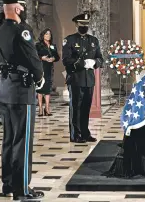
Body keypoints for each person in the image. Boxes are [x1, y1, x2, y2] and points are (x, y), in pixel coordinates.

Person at [0, 0, 45, 201]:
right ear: (17, 8)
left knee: (8, 140)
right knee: (22, 142)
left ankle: (8, 184)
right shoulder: (22, 31)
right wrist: (40, 79)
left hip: (4, 90)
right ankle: (22, 190)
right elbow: (33, 59)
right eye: (22, 7)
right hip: (22, 92)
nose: (23, 11)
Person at [62, 13, 103, 143]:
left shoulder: (93, 40)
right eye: (82, 24)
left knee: (86, 107)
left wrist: (95, 63)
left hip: (89, 79)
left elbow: (100, 58)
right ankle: (75, 134)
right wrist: (82, 63)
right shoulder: (69, 40)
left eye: (86, 24)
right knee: (76, 107)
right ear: (76, 24)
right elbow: (66, 59)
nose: (84, 26)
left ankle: (85, 133)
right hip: (75, 78)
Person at [35, 28, 60, 116]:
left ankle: (47, 108)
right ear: (43, 35)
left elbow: (57, 56)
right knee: (41, 88)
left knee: (48, 89)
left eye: (49, 34)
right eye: (46, 34)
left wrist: (53, 58)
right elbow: (34, 55)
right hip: (41, 68)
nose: (48, 36)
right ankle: (41, 109)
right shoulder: (38, 45)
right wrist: (42, 58)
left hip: (49, 69)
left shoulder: (53, 45)